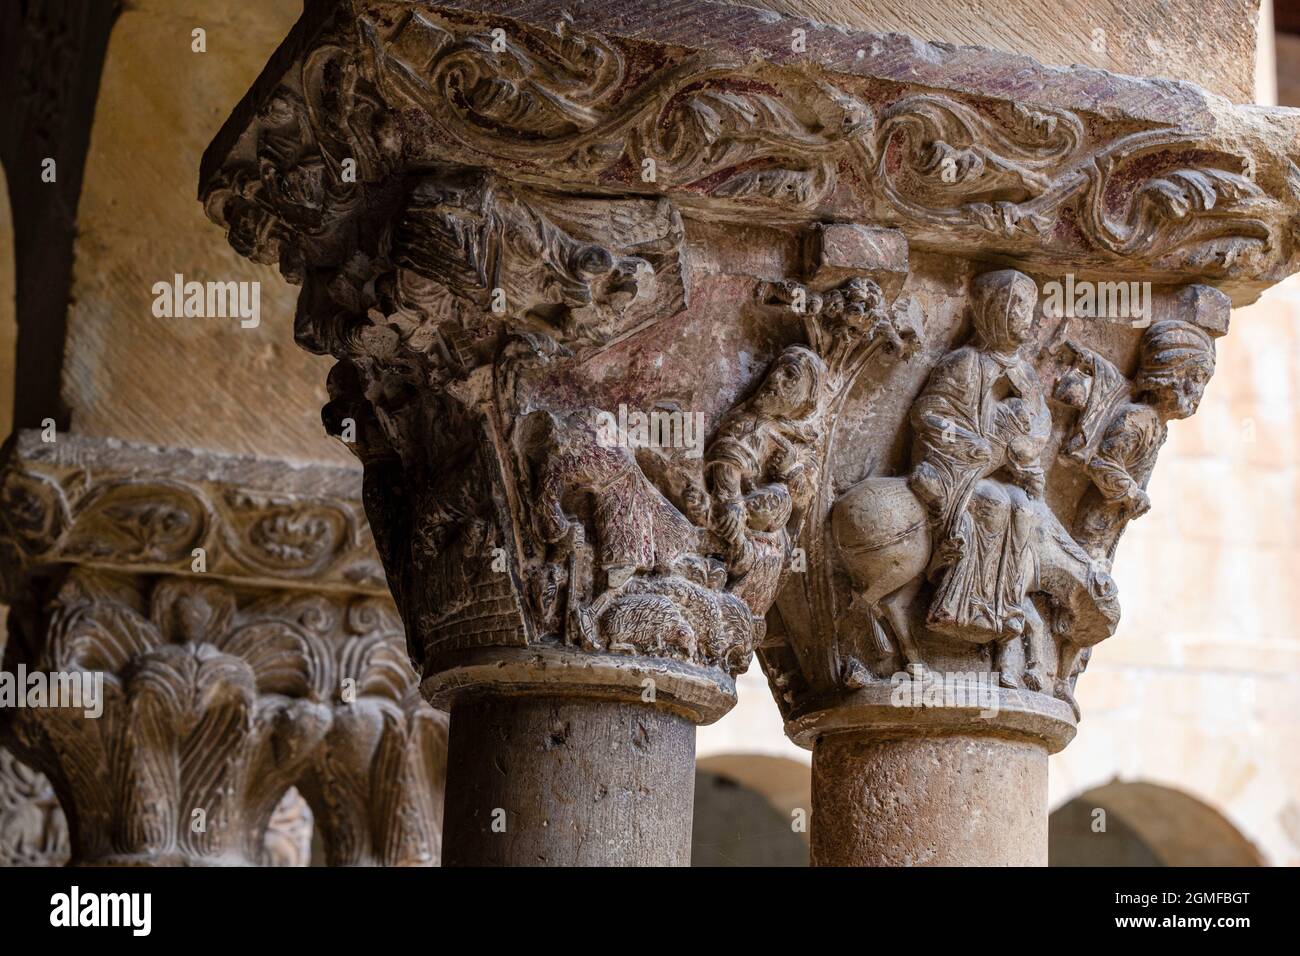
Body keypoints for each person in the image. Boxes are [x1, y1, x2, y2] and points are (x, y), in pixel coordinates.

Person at [908, 269, 1050, 642]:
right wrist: (968, 439)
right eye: (1014, 306)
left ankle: (1005, 607)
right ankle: (962, 605)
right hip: (957, 467)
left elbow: (1040, 425)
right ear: (992, 312)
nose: (1025, 316)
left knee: (1021, 508)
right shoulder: (966, 362)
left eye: (1028, 308)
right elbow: (927, 414)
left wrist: (1025, 449)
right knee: (993, 505)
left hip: (1004, 468)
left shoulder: (1025, 373)